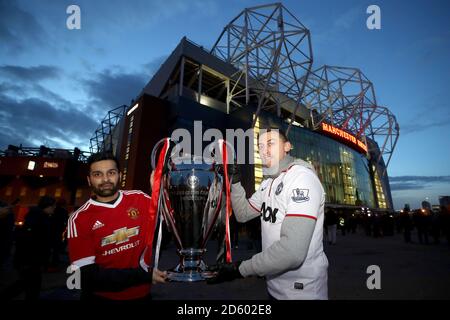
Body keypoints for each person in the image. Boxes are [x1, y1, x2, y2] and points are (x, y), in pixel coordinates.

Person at [208, 128, 329, 300]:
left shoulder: (301, 178)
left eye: (271, 143)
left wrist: (240, 269)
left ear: (287, 146)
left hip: (303, 292)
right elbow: (242, 213)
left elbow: (292, 252)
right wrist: (234, 181)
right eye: (260, 146)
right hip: (274, 287)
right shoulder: (268, 183)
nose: (264, 150)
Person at [67, 152, 167, 300]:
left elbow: (164, 236)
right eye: (97, 174)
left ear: (119, 175)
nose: (106, 179)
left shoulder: (140, 199)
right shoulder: (79, 219)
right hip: (101, 297)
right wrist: (143, 275)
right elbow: (86, 276)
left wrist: (160, 196)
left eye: (111, 173)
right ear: (89, 180)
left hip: (142, 294)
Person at [13, 196, 55, 300]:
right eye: (53, 206)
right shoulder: (41, 219)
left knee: (27, 285)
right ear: (48, 206)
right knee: (29, 286)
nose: (54, 208)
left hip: (29, 259)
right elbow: (38, 241)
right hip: (31, 260)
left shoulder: (34, 216)